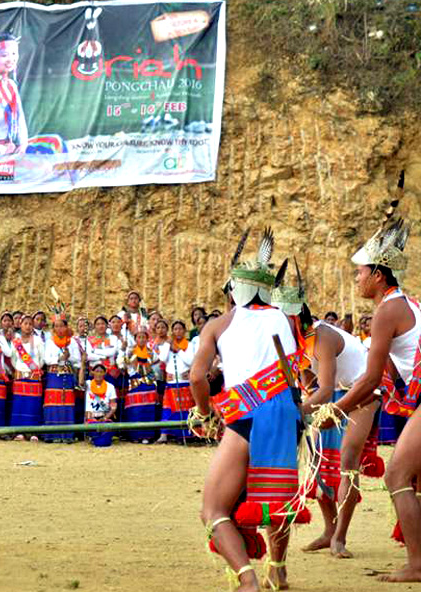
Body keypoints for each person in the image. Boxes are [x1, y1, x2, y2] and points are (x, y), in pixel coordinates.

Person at [190, 229, 305, 592]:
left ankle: (247, 580)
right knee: (275, 497)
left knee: (213, 509)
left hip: (247, 417)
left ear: (233, 291)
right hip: (288, 416)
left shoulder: (220, 324)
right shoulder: (285, 320)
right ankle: (278, 569)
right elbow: (292, 374)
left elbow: (197, 377)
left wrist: (205, 411)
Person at [334, 215, 421, 581]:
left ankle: (417, 565)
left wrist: (334, 409)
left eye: (360, 272)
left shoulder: (387, 310)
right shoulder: (408, 302)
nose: (356, 279)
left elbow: (370, 378)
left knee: (398, 474)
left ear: (378, 276)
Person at [272, 281, 372, 559]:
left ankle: (340, 536)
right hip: (334, 392)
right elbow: (310, 382)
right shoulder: (296, 339)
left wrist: (297, 410)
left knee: (347, 462)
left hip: (363, 391)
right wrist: (300, 401)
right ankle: (329, 531)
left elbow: (325, 388)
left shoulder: (322, 335)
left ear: (294, 316)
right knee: (317, 465)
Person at [155, 320, 194, 444]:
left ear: (184, 331)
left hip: (184, 382)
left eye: (180, 329)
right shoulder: (166, 344)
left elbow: (190, 361)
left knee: (184, 410)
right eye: (175, 329)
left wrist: (179, 351)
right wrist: (168, 345)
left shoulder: (188, 345)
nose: (178, 331)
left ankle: (184, 435)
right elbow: (162, 358)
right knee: (168, 409)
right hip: (171, 382)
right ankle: (164, 435)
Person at [10, 315, 44, 440]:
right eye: (25, 323)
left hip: (33, 377)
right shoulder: (16, 341)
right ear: (20, 325)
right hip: (20, 377)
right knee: (19, 404)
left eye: (30, 324)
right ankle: (19, 432)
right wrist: (21, 369)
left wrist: (32, 369)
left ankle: (33, 433)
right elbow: (13, 359)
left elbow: (41, 359)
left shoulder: (38, 340)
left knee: (33, 405)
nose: (28, 326)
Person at [43, 315, 75, 443]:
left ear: (66, 327)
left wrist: (69, 357)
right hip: (54, 375)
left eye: (62, 325)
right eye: (56, 326)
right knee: (53, 403)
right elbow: (46, 359)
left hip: (67, 375)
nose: (59, 328)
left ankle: (66, 435)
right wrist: (60, 358)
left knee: (66, 404)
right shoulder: (50, 342)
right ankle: (52, 434)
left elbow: (77, 360)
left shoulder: (72, 341)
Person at [123, 330, 159, 443]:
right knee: (135, 409)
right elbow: (123, 364)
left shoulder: (151, 352)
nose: (142, 339)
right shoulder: (130, 351)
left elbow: (155, 366)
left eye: (144, 337)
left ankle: (147, 436)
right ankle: (134, 435)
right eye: (139, 337)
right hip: (134, 382)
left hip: (148, 383)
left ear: (147, 339)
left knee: (148, 409)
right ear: (135, 339)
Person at [85, 363, 118, 447]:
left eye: (101, 372)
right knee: (95, 430)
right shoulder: (88, 384)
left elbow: (113, 406)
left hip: (104, 417)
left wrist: (106, 417)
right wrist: (82, 363)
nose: (99, 374)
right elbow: (80, 382)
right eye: (97, 371)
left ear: (104, 373)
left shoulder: (110, 386)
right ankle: (98, 439)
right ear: (92, 373)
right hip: (90, 417)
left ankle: (98, 440)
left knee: (108, 428)